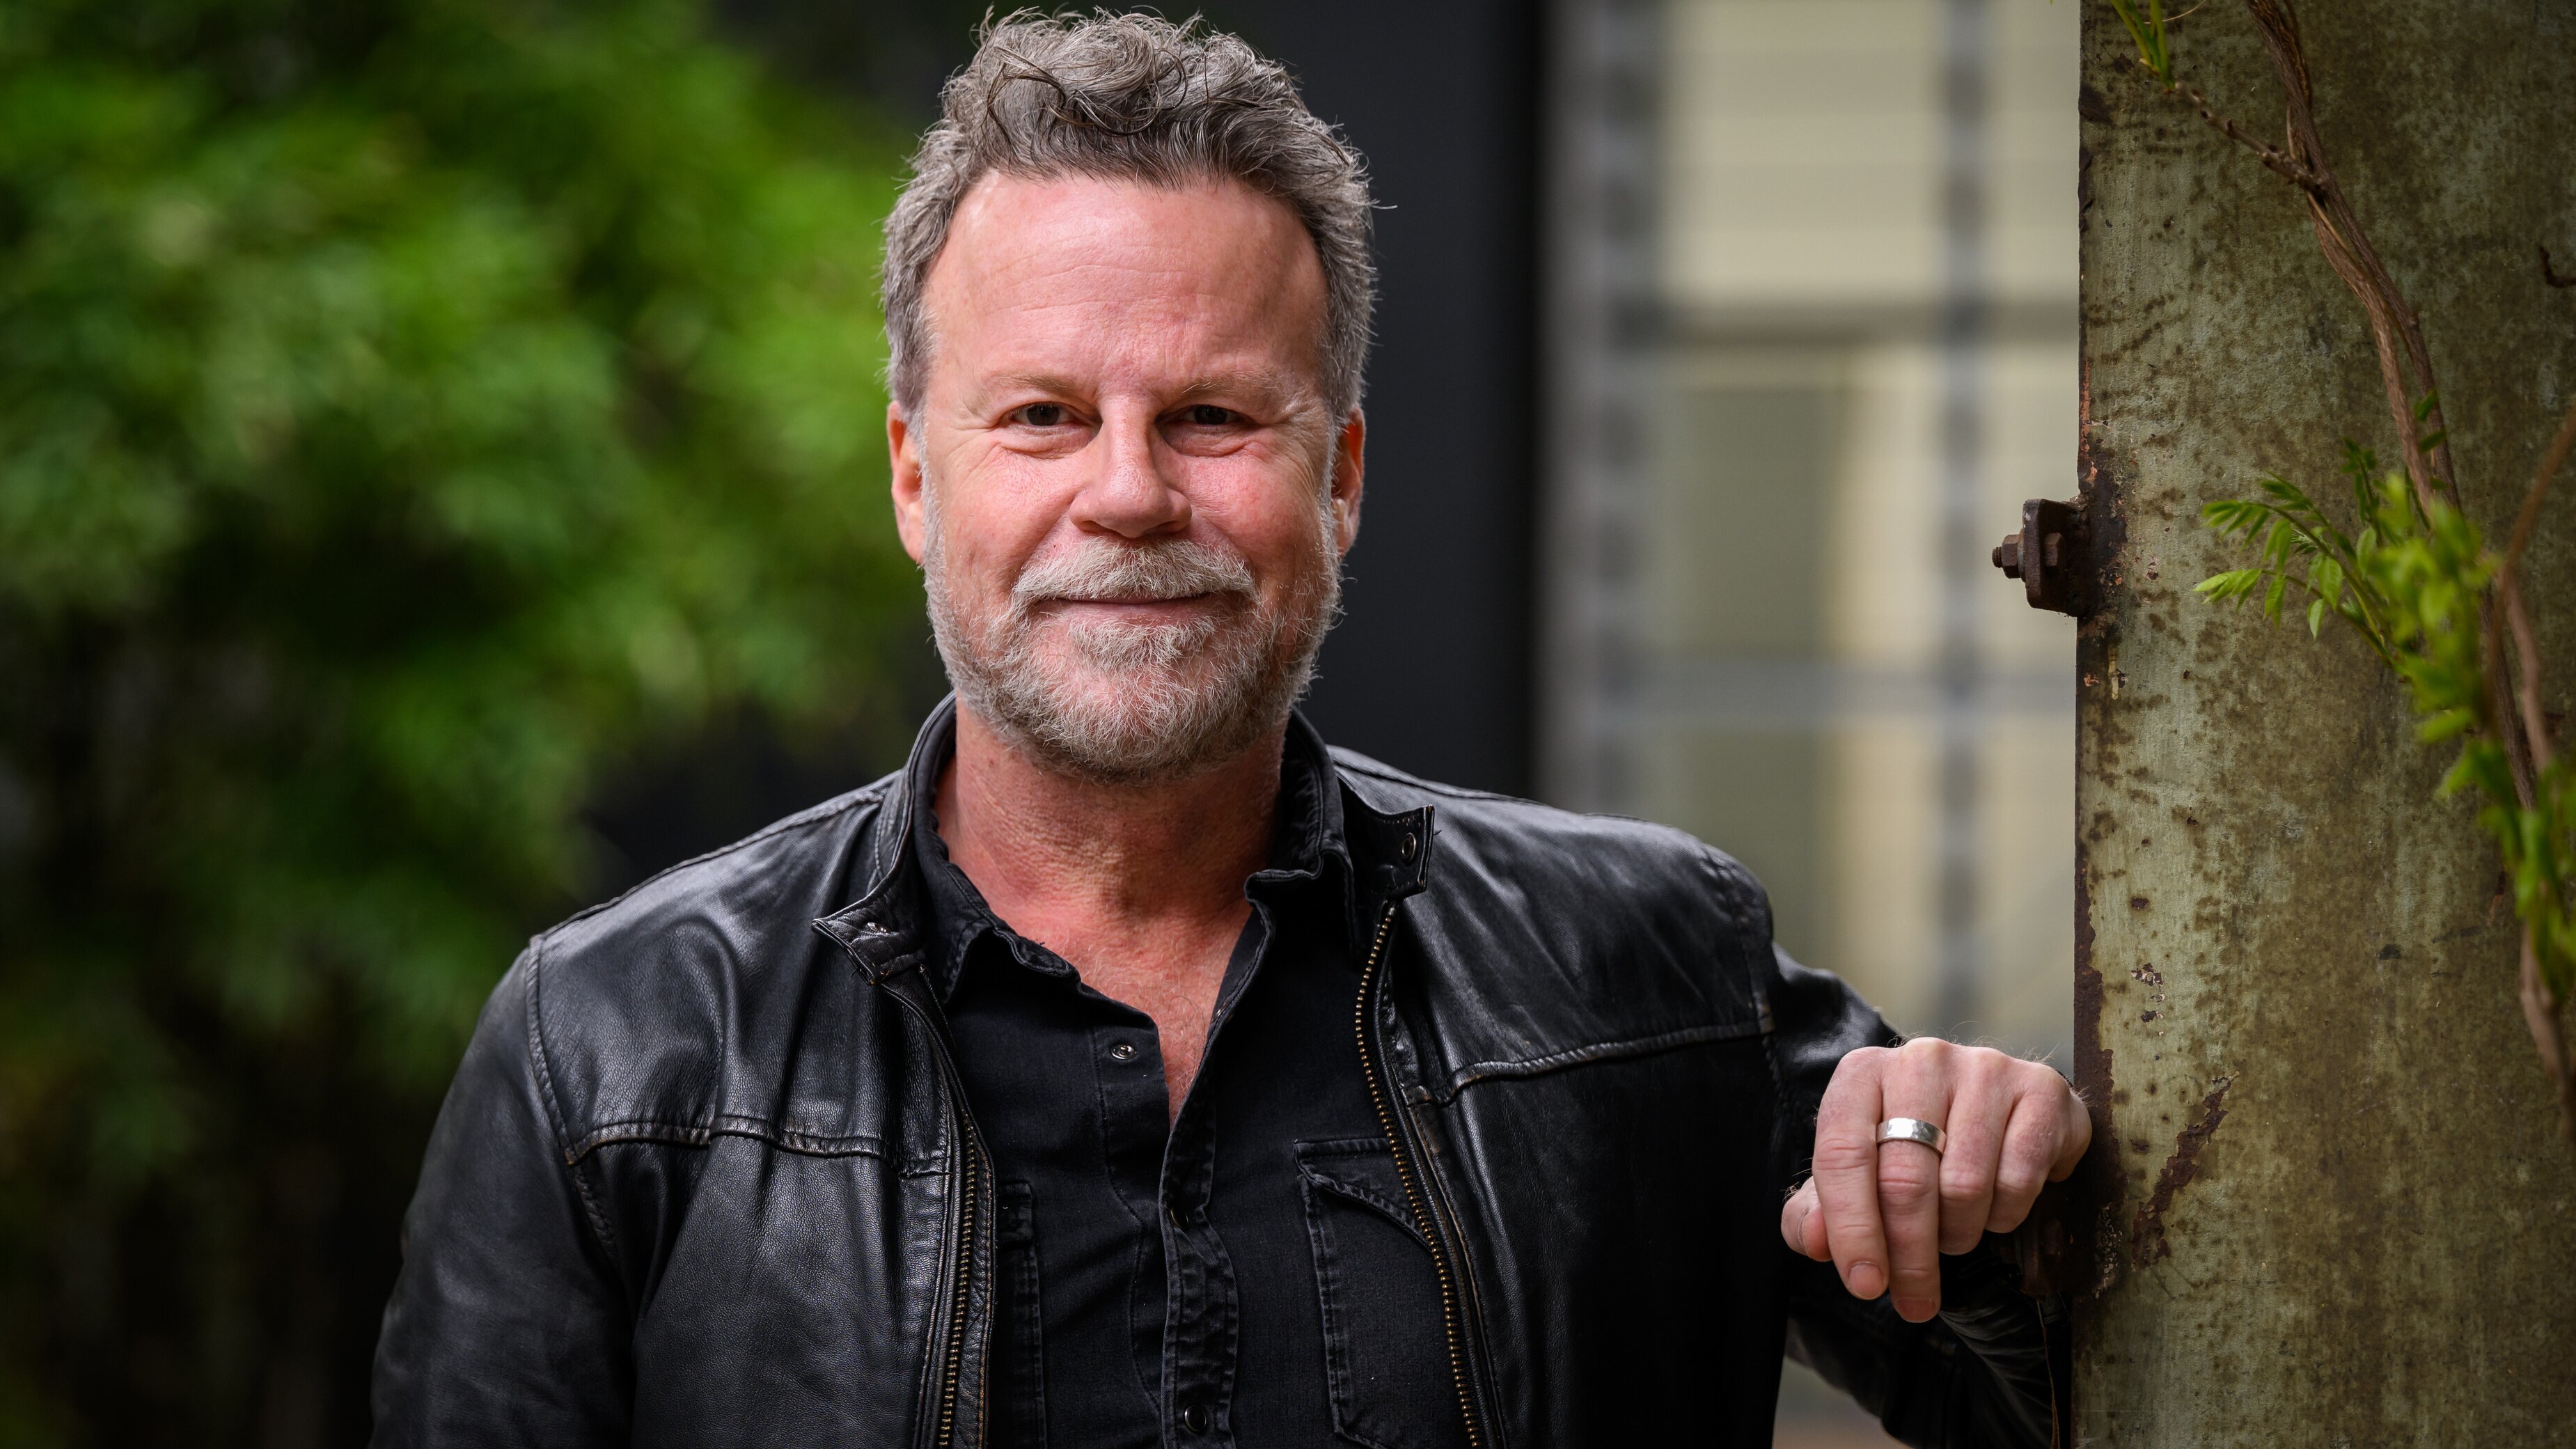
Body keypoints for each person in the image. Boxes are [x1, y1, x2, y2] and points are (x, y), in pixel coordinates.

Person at [372, 14, 2086, 1448]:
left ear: (1339, 477)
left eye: (1209, 416)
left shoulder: (1647, 970)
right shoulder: (612, 1050)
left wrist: (1997, 1203)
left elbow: (2075, 1398)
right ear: (912, 476)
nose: (1127, 493)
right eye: (1041, 415)